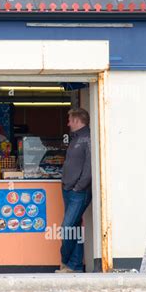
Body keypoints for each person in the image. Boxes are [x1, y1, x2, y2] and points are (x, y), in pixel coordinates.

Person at [56, 108, 92, 273]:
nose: (68, 123)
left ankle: (65, 262)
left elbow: (89, 167)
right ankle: (75, 267)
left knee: (67, 227)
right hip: (68, 189)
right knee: (75, 227)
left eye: (70, 120)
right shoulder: (76, 138)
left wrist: (79, 187)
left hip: (79, 191)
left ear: (77, 120)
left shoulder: (87, 138)